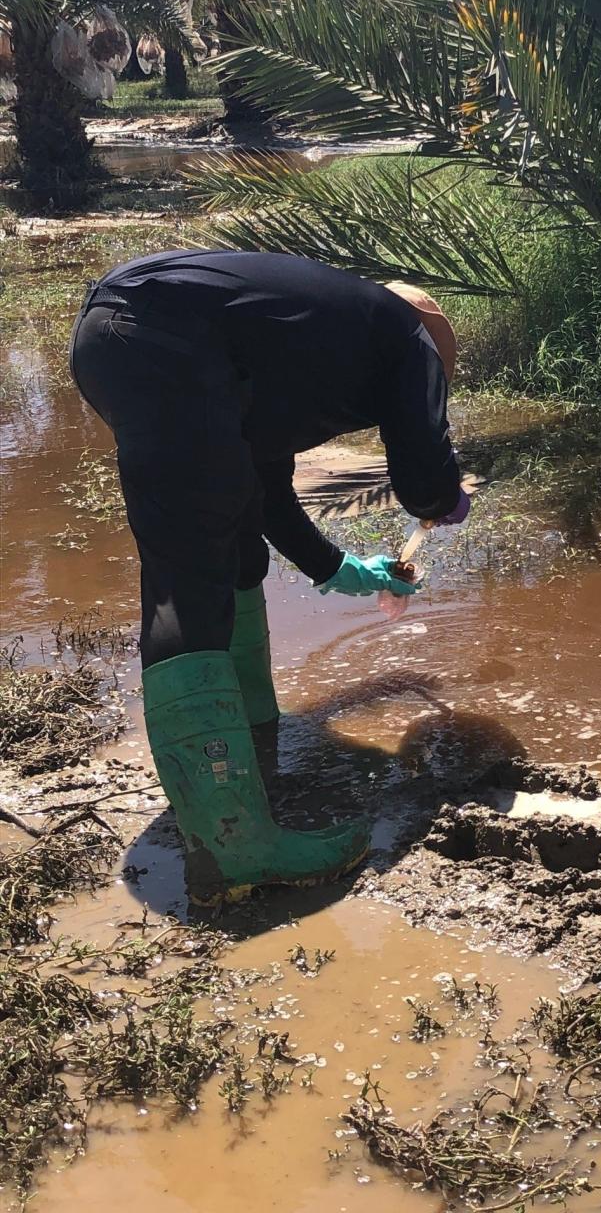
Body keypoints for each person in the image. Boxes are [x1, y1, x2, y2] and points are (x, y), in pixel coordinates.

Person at [69, 251, 470, 904]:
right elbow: (425, 473)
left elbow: (268, 497)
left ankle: (248, 736)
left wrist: (338, 568)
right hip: (165, 345)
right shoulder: (410, 335)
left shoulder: (303, 337)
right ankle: (234, 848)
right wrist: (443, 501)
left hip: (117, 336)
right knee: (191, 572)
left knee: (227, 535)